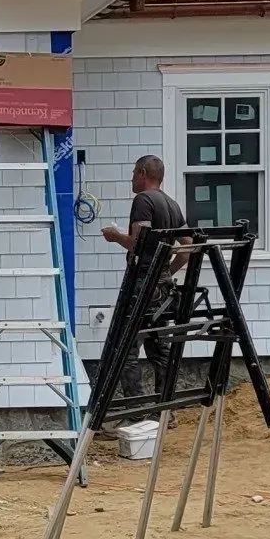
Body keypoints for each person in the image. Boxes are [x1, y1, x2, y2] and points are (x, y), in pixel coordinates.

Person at [102, 155, 187, 403]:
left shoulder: (143, 200)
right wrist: (165, 274)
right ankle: (165, 410)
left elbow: (138, 243)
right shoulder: (172, 204)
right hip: (163, 288)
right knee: (160, 348)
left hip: (141, 285)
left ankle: (135, 410)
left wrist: (115, 236)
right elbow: (187, 248)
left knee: (126, 346)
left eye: (133, 173)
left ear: (142, 172)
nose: (131, 178)